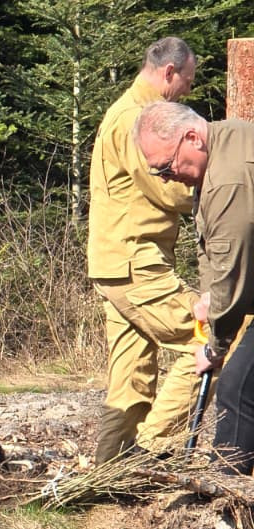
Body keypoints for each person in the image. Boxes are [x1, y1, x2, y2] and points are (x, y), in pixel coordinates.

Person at [87, 37, 199, 461]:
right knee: (214, 335)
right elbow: (168, 189)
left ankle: (108, 474)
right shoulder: (141, 121)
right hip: (137, 263)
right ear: (169, 73)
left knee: (130, 377)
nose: (188, 89)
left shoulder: (125, 112)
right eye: (187, 80)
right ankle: (150, 451)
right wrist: (224, 191)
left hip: (119, 264)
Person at [135, 102, 254, 471]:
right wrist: (206, 297)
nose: (166, 177)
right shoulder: (224, 144)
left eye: (167, 167)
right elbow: (211, 248)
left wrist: (215, 346)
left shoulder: (227, 181)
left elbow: (232, 274)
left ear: (192, 138)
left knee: (237, 386)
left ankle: (228, 500)